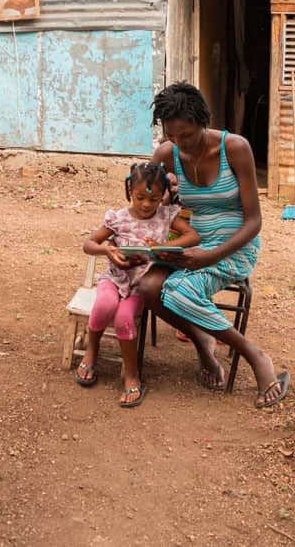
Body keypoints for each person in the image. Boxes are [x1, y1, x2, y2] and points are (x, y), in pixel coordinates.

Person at [140, 81, 290, 408]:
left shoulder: (234, 148)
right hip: (189, 242)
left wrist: (211, 255)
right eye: (172, 136)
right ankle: (202, 341)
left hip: (232, 247)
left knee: (178, 292)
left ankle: (255, 355)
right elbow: (147, 207)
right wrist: (161, 207)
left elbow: (254, 221)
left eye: (188, 135)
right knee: (148, 288)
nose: (181, 144)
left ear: (203, 122)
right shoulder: (167, 154)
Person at [77, 162, 200, 407]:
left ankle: (132, 375)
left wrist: (162, 247)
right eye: (140, 197)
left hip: (141, 285)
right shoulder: (118, 218)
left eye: (153, 199)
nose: (146, 204)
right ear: (130, 191)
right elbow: (89, 244)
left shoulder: (166, 216)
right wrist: (107, 249)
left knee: (124, 318)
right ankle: (92, 352)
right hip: (114, 278)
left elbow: (193, 236)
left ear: (162, 196)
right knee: (103, 306)